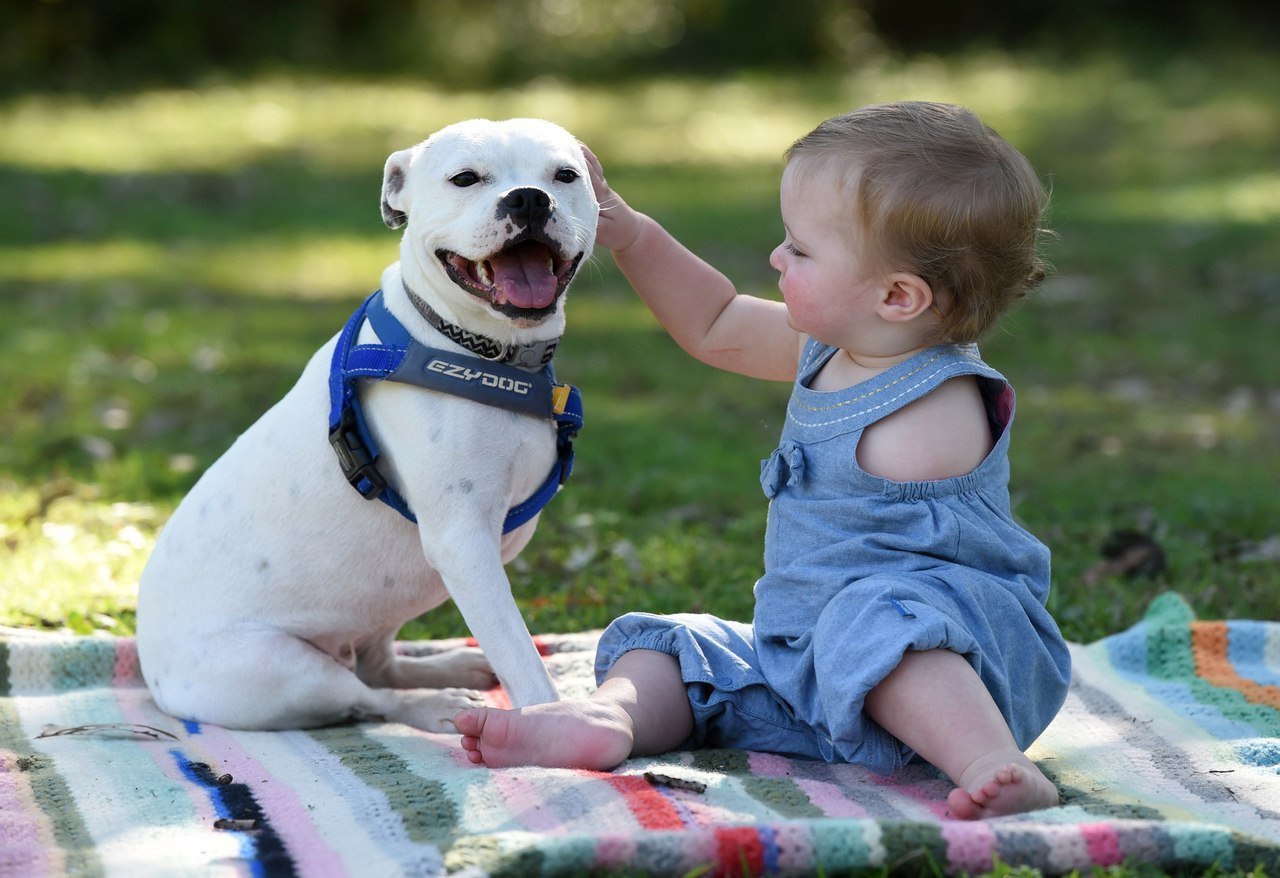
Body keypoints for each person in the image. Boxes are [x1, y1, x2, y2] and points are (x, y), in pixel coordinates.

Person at [454, 101, 1071, 819]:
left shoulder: (939, 402)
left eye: (801, 250)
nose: (777, 257)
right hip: (801, 667)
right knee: (674, 648)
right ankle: (608, 720)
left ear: (897, 297)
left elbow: (911, 574)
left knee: (879, 624)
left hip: (954, 659)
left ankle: (988, 759)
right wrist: (628, 232)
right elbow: (714, 323)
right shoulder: (837, 346)